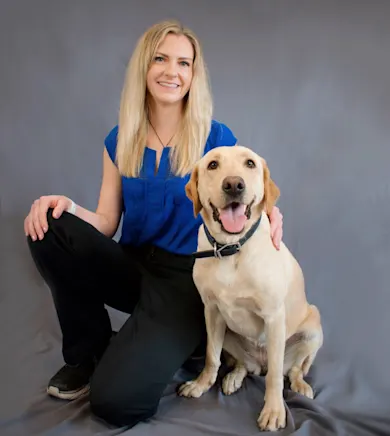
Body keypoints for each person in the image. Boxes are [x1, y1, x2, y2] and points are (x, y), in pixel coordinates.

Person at [24, 20, 284, 428]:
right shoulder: (120, 138)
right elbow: (106, 222)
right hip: (133, 264)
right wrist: (66, 206)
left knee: (117, 403)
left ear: (193, 75)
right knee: (52, 227)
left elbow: (242, 191)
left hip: (186, 280)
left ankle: (186, 341)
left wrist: (270, 210)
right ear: (144, 68)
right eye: (160, 59)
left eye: (184, 63)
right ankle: (87, 354)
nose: (171, 71)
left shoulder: (217, 138)